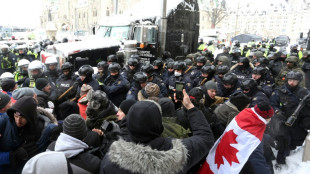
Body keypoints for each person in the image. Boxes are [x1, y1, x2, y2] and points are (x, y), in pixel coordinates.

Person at [100, 89, 214, 174]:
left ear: (128, 123)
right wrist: (190, 107)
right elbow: (206, 138)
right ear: (159, 125)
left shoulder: (111, 160)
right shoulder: (179, 153)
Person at [1, 96, 55, 173]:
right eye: (16, 116)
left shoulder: (44, 130)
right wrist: (12, 156)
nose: (18, 121)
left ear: (31, 116)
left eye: (23, 117)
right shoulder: (4, 122)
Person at [270, 71, 310, 167]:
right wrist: (278, 113)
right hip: (283, 121)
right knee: (283, 141)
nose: (291, 83)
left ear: (299, 81)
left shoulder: (304, 93)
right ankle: (280, 162)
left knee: (296, 141)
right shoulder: (279, 91)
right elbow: (272, 105)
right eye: (290, 80)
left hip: (298, 121)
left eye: (294, 81)